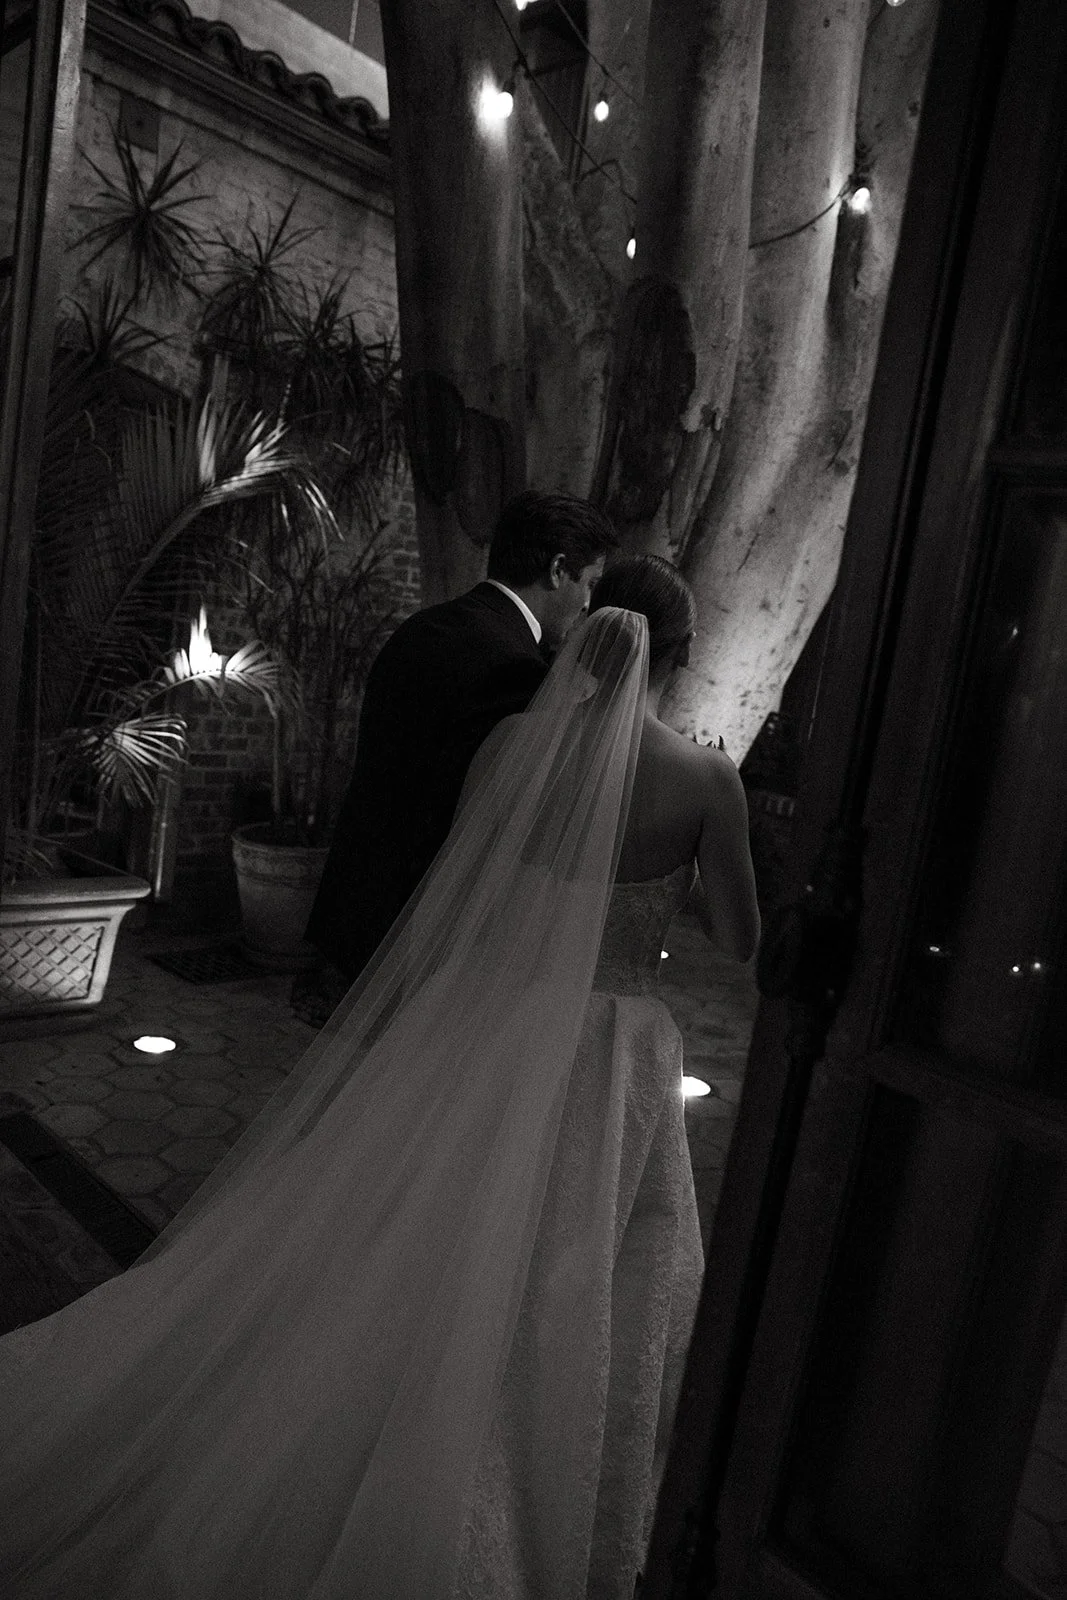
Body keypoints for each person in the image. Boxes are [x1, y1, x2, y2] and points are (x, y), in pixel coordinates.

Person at [0, 565, 758, 1599]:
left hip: (493, 1018)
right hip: (614, 1051)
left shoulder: (511, 747)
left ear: (587, 640)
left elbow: (476, 888)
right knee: (578, 1261)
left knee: (435, 1232)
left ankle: (397, 1412)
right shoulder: (706, 780)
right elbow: (739, 938)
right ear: (683, 654)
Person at [299, 489, 617, 1017]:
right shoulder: (515, 668)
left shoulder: (419, 629)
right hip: (417, 936)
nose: (588, 603)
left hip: (353, 906)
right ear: (559, 569)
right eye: (590, 583)